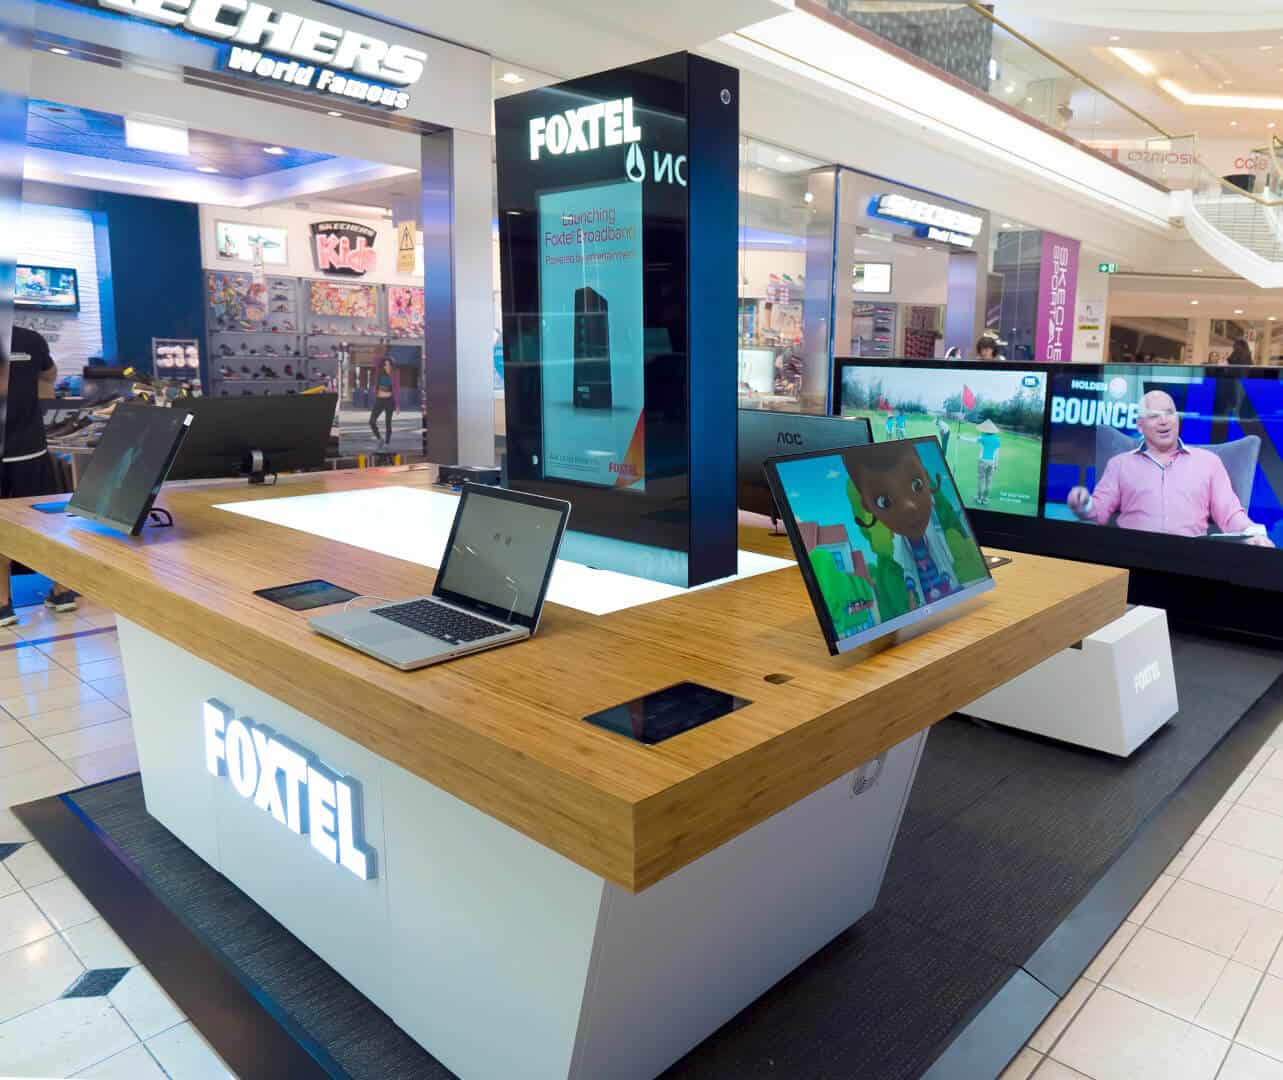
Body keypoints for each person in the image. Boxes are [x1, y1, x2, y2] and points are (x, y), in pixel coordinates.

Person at [1066, 389, 1274, 545]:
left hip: (1190, 562)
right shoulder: (1120, 464)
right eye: (1154, 415)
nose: (1164, 421)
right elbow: (1099, 511)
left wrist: (1253, 534)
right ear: (1140, 425)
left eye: (1169, 413)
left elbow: (1230, 514)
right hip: (1132, 555)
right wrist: (1082, 504)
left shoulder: (1209, 462)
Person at [1, 326, 78, 626]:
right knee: (47, 523)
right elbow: (49, 375)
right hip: (29, 451)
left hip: (25, 450)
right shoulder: (30, 339)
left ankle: (3, 604)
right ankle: (63, 591)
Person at [368, 356, 399, 446]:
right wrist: (384, 358)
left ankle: (387, 442)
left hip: (390, 401)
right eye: (385, 365)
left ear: (392, 366)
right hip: (379, 400)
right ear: (383, 366)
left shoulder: (395, 374)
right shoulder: (379, 372)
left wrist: (397, 405)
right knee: (371, 421)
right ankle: (379, 438)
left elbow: (396, 390)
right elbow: (375, 359)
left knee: (388, 422)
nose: (387, 366)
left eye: (389, 365)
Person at [973, 419, 1002, 506]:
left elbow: (971, 440)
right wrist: (996, 464)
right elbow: (997, 453)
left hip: (983, 461)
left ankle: (979, 498)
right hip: (992, 462)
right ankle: (985, 499)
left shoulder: (982, 437)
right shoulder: (997, 440)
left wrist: (960, 437)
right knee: (988, 481)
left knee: (981, 480)